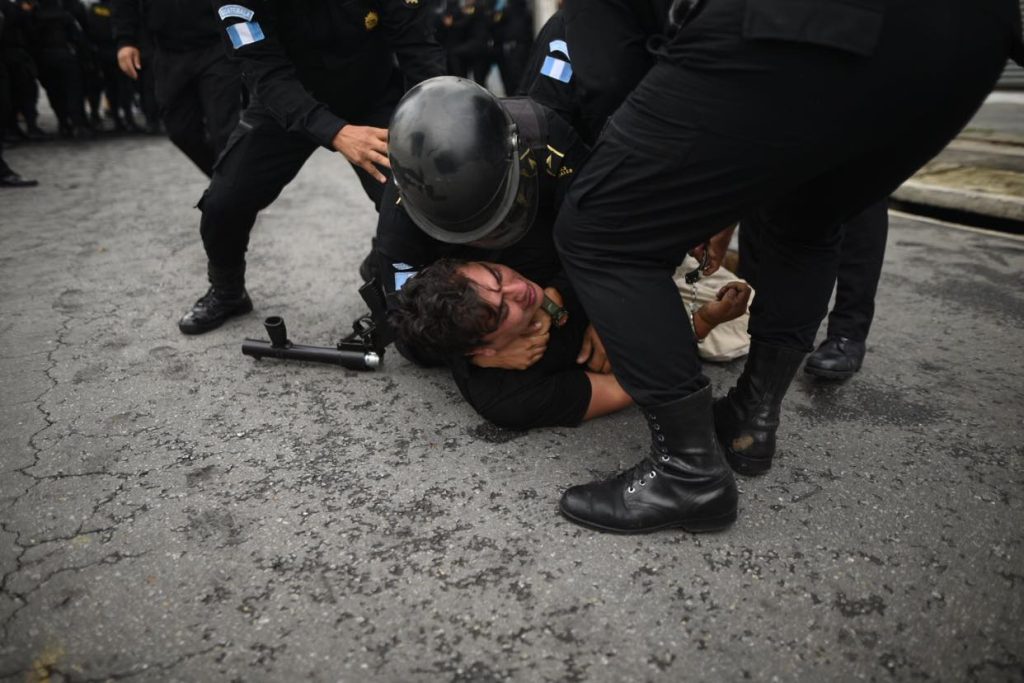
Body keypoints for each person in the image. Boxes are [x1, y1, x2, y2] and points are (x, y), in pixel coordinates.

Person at [549, 0, 1023, 533]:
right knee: (804, 217)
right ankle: (751, 419)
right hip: (974, 41)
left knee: (600, 226)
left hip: (812, 21)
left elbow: (614, 81)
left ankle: (687, 471)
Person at [174, 0, 445, 335]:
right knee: (223, 202)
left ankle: (383, 264)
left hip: (371, 97)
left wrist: (429, 118)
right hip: (285, 105)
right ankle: (227, 291)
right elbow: (267, 75)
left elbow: (417, 48)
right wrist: (335, 131)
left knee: (413, 197)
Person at [391, 257, 751, 430]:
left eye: (499, 275)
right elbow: (636, 384)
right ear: (484, 351)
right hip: (651, 320)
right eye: (504, 311)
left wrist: (569, 301)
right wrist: (703, 323)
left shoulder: (518, 250)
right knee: (736, 337)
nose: (521, 290)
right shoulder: (509, 397)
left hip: (627, 265)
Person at [113, 0, 242, 175]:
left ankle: (230, 191)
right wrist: (125, 40)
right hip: (168, 51)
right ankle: (231, 186)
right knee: (180, 131)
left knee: (224, 129)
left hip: (216, 45)